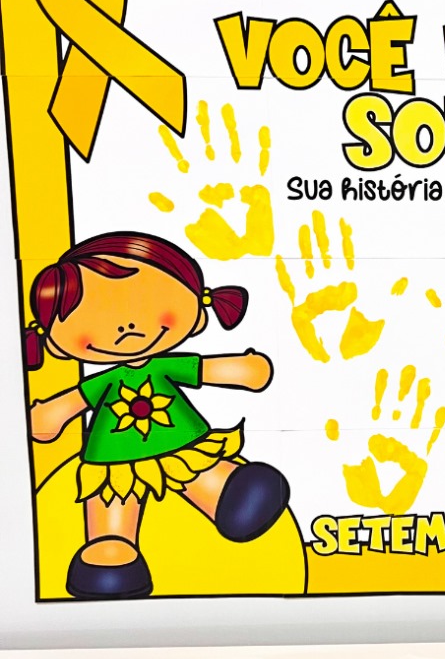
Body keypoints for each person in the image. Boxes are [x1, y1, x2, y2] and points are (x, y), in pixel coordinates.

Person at [26, 231, 289, 600]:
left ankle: (227, 495)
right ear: (54, 342)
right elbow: (70, 404)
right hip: (114, 459)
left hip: (182, 445)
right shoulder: (104, 381)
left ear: (197, 311)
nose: (126, 326)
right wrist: (50, 415)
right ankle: (110, 549)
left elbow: (206, 369)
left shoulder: (165, 366)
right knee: (113, 496)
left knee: (198, 469)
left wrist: (241, 369)